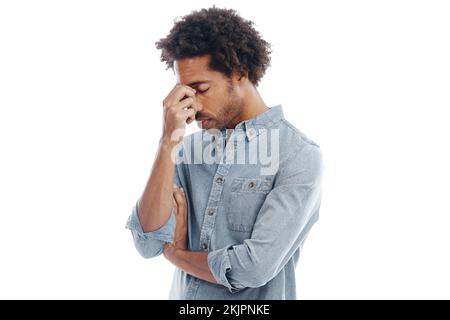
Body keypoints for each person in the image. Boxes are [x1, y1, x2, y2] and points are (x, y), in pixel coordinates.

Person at [126, 6, 323, 299]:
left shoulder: (296, 154)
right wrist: (168, 139)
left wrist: (178, 255)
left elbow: (253, 268)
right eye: (184, 92)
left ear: (239, 72)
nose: (192, 105)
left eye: (201, 88)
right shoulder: (187, 150)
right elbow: (148, 243)